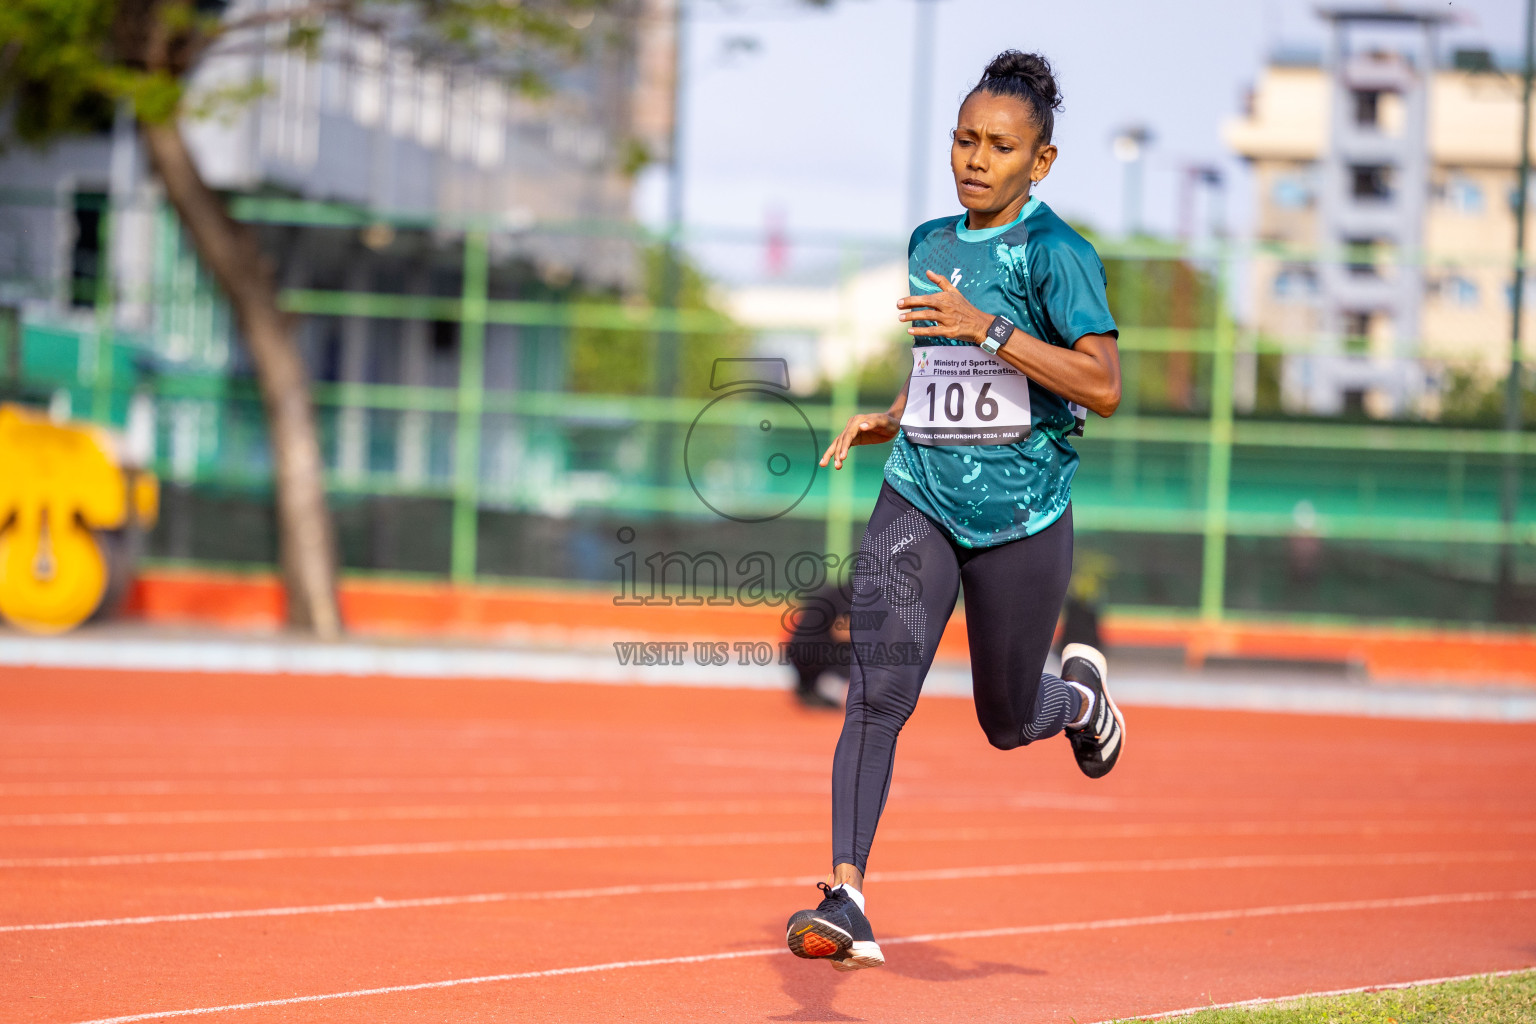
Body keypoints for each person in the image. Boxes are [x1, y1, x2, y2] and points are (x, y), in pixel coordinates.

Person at [783, 50, 1126, 972]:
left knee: (1007, 720)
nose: (976, 159)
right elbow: (943, 362)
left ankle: (1080, 700)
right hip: (921, 491)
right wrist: (894, 414)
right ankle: (845, 894)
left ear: (1040, 163)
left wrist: (994, 329)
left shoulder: (1060, 255)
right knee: (877, 690)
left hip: (1019, 518)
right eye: (965, 140)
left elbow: (1102, 385)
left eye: (1000, 146)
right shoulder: (931, 242)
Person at [785, 584, 853, 709]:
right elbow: (842, 631)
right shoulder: (853, 592)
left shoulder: (842, 590)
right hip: (814, 653)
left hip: (801, 651)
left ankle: (813, 688)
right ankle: (833, 687)